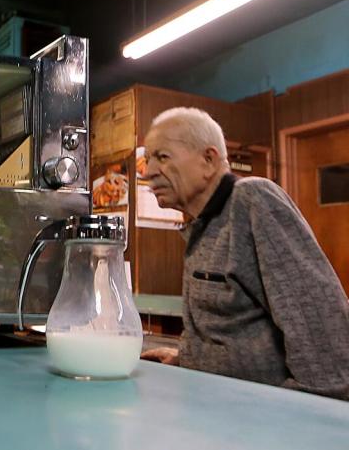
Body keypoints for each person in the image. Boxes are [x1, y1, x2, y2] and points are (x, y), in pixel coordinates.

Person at [139, 107, 349, 399]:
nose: (149, 172)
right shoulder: (205, 224)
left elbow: (321, 327)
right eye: (147, 159)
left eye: (162, 156)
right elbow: (233, 330)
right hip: (220, 411)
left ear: (209, 160)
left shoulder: (253, 200)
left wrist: (304, 415)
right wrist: (187, 358)